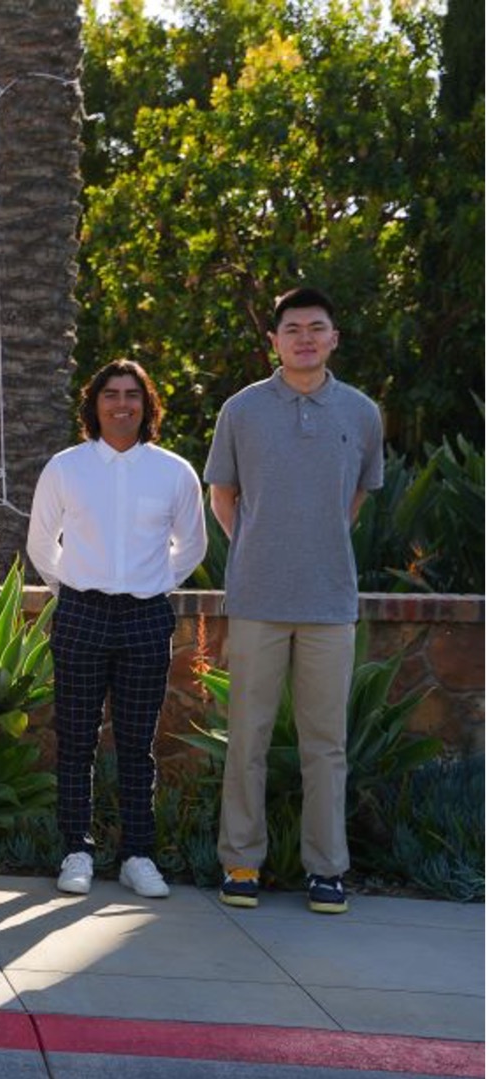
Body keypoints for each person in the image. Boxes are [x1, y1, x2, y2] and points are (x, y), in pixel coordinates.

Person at [205, 287, 383, 914]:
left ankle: (327, 869)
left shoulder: (361, 412)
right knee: (246, 737)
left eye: (317, 328)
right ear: (274, 341)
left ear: (334, 338)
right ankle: (241, 861)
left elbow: (358, 498)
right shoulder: (242, 410)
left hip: (330, 603)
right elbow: (222, 495)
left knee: (325, 744)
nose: (304, 337)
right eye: (292, 328)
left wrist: (314, 542)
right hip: (256, 598)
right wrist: (256, 546)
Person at [28, 360, 206, 898]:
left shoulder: (174, 471)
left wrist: (151, 582)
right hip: (81, 613)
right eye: (111, 394)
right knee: (76, 738)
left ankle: (137, 854)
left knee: (136, 743)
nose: (121, 403)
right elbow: (41, 545)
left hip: (146, 617)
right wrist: (76, 589)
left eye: (132, 394)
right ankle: (75, 851)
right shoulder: (66, 467)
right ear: (95, 403)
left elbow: (192, 545)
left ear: (147, 404)